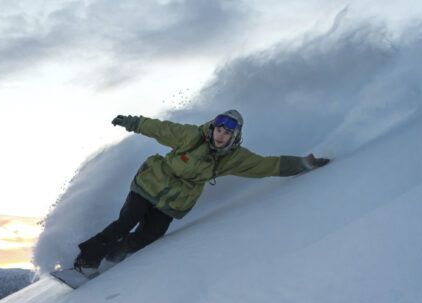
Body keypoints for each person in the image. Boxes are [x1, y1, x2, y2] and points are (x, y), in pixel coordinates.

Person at [73, 109, 331, 276]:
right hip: (150, 183)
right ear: (213, 129)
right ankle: (86, 260)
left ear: (235, 137)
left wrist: (303, 164)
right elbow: (160, 129)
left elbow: (267, 165)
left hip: (173, 202)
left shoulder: (235, 158)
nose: (221, 135)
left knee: (148, 236)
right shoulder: (191, 136)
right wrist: (132, 122)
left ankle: (111, 257)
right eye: (219, 130)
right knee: (125, 223)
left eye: (228, 133)